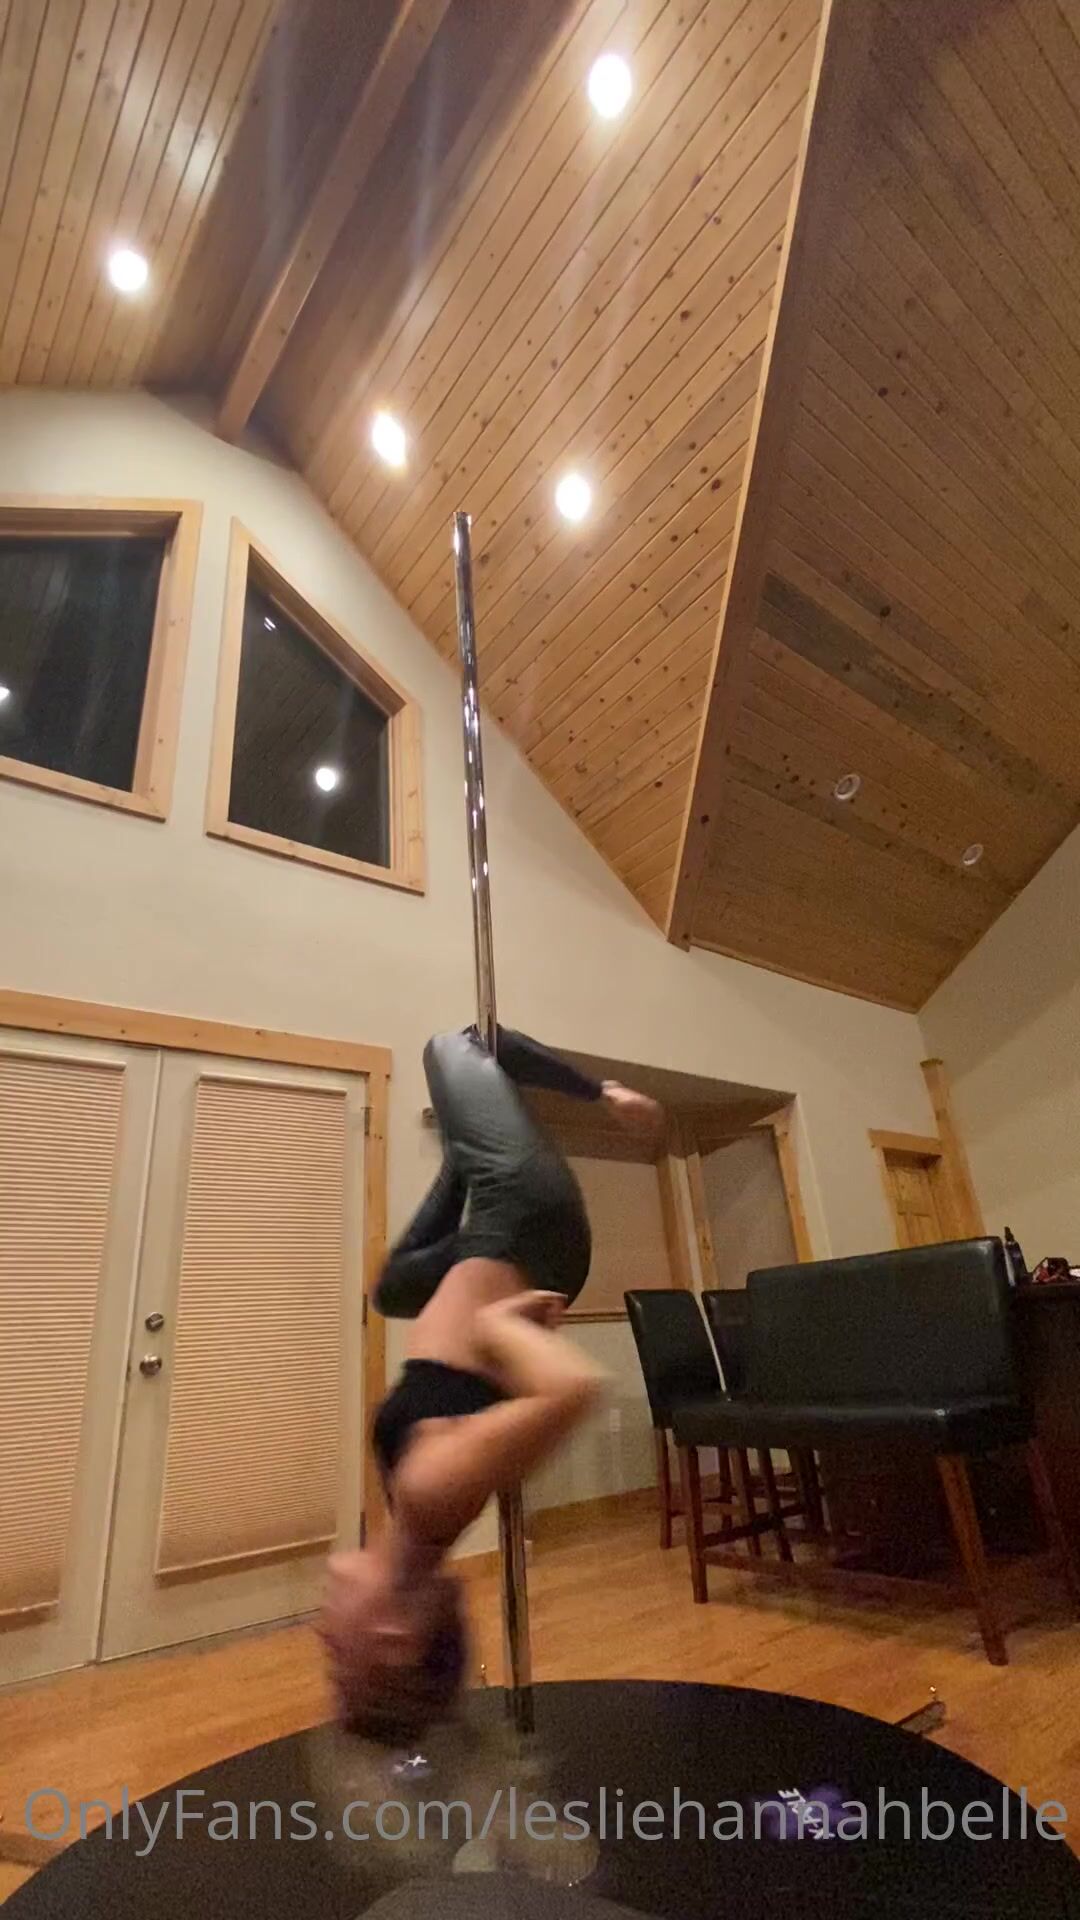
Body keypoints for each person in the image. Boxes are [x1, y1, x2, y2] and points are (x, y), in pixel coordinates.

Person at [320, 1025, 663, 1744]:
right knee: (455, 1045)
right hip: (526, 1218)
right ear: (393, 1639)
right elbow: (573, 1390)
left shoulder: (417, 1515)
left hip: (494, 1241)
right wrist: (502, 1324)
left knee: (392, 1289)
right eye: (337, 1656)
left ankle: (462, 1155)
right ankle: (601, 1094)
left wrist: (497, 1336)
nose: (321, 1635)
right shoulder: (431, 1491)